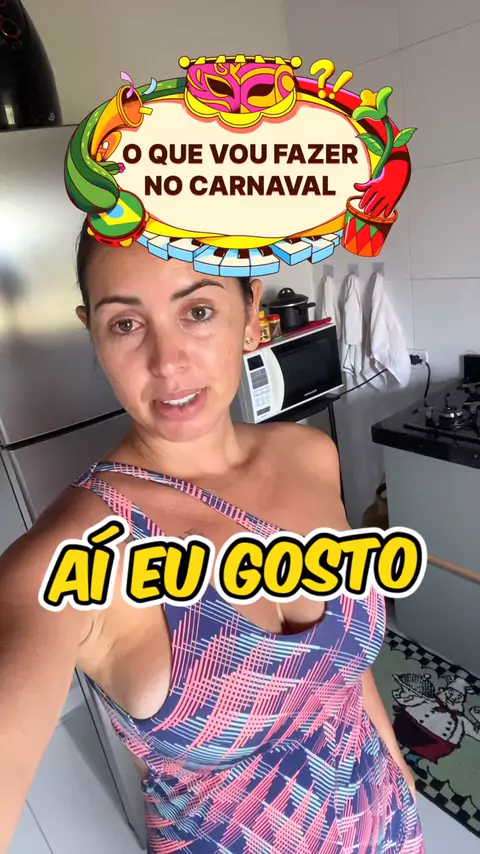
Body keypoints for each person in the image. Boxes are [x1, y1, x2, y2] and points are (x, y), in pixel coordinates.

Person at [0, 220, 424, 853]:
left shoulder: (310, 456)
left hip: (385, 824)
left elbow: (338, 670)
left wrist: (398, 770)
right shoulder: (69, 558)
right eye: (126, 324)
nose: (167, 362)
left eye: (197, 311)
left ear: (250, 314)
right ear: (93, 333)